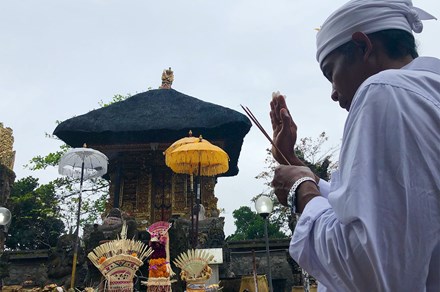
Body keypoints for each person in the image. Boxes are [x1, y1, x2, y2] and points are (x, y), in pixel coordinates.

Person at [269, 0, 440, 291]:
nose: (334, 93)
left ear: (363, 46)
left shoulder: (384, 91)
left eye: (331, 73)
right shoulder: (425, 90)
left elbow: (370, 267)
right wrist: (292, 162)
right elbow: (395, 207)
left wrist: (302, 192)